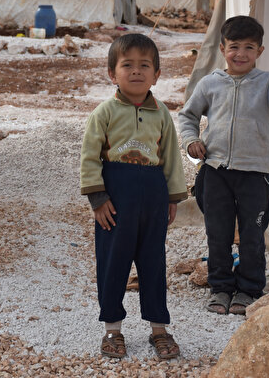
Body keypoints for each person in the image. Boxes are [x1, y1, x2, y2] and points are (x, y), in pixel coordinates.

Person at [177, 15, 269, 315]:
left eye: (249, 48)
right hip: (216, 172)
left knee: (252, 235)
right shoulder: (210, 83)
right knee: (218, 233)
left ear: (260, 52)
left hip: (254, 174)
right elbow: (187, 116)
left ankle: (249, 290)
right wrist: (190, 141)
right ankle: (221, 288)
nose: (241, 54)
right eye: (234, 46)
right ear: (223, 48)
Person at [80, 33, 187, 360]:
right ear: (113, 74)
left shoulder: (162, 115)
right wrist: (98, 199)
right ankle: (112, 329)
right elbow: (89, 157)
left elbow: (171, 157)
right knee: (113, 263)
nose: (137, 71)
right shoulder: (105, 113)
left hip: (153, 195)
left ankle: (159, 328)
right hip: (116, 197)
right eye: (128, 65)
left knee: (154, 263)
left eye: (145, 65)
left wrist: (171, 197)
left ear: (157, 75)